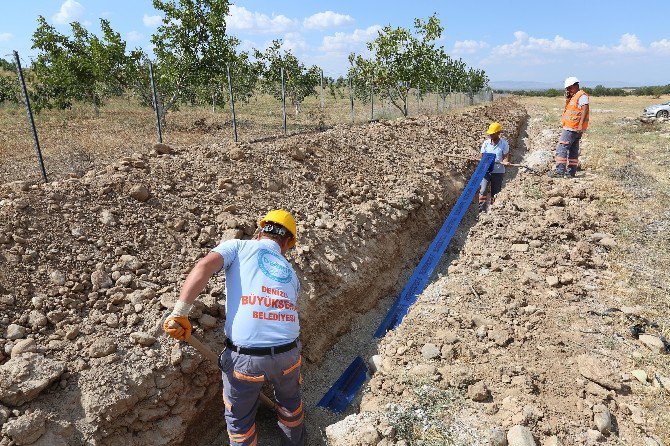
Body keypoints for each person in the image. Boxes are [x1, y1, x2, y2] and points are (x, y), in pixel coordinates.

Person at [164, 209, 305, 446]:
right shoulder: (290, 273)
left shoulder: (238, 247)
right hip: (289, 354)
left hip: (246, 359)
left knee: (240, 421)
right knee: (291, 406)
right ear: (287, 243)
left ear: (260, 231)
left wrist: (180, 313)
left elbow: (203, 267)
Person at [549, 76, 590, 178]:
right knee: (573, 150)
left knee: (562, 148)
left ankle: (559, 171)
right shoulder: (574, 96)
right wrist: (569, 97)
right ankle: (571, 172)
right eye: (567, 88)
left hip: (572, 128)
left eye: (570, 88)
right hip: (572, 127)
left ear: (576, 86)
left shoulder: (581, 96)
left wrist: (580, 125)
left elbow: (585, 109)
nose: (568, 90)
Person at [478, 121, 510, 213]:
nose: (490, 135)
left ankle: (493, 211)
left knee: (495, 193)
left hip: (498, 171)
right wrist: (480, 160)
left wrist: (505, 162)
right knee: (483, 190)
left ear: (498, 133)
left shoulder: (504, 144)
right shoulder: (486, 143)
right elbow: (481, 156)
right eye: (490, 133)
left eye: (493, 133)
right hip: (486, 171)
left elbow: (505, 157)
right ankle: (481, 211)